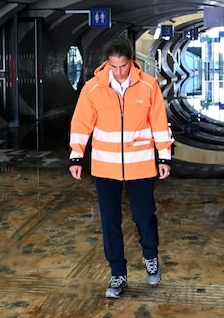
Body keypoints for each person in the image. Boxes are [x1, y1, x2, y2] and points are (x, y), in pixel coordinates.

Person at [68, 37, 174, 299]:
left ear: (131, 62)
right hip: (106, 168)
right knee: (110, 222)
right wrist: (76, 156)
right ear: (107, 63)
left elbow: (160, 123)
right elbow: (82, 124)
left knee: (144, 217)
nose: (119, 72)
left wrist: (164, 157)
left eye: (123, 66)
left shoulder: (148, 86)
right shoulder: (93, 89)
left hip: (140, 166)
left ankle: (150, 256)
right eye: (114, 67)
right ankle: (117, 274)